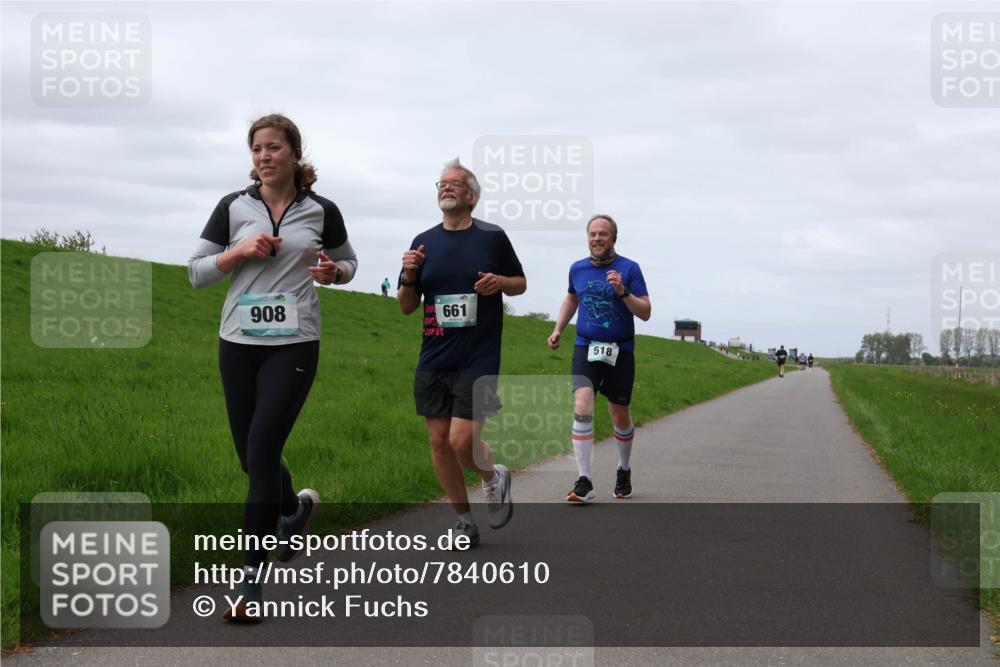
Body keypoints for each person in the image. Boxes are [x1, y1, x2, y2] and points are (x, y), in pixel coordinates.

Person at [187, 114, 357, 621]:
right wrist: (239, 251)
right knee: (250, 458)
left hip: (295, 343)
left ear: (293, 153)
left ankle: (248, 586)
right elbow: (196, 273)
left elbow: (349, 264)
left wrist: (334, 272)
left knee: (262, 450)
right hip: (237, 341)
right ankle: (293, 510)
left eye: (274, 147)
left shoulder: (322, 211)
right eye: (257, 149)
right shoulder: (233, 207)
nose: (264, 156)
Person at [397, 159, 526, 547]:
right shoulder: (423, 241)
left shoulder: (492, 238)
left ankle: (492, 477)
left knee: (459, 441)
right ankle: (464, 521)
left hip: (478, 356)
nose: (446, 189)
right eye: (442, 184)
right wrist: (408, 275)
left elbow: (519, 284)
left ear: (472, 196)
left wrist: (500, 282)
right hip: (434, 355)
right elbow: (406, 305)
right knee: (439, 443)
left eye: (455, 184)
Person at [547, 214, 651, 502]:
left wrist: (623, 291)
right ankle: (584, 479)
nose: (597, 238)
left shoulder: (630, 269)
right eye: (592, 234)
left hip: (621, 349)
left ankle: (624, 469)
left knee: (619, 414)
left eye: (603, 234)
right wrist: (558, 329)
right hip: (585, 346)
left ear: (613, 238)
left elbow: (645, 311)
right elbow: (571, 298)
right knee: (582, 403)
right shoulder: (577, 269)